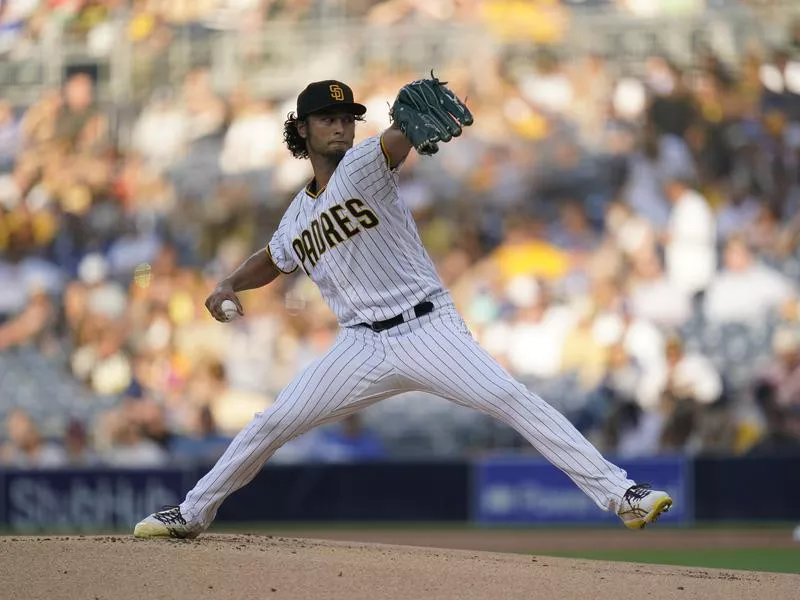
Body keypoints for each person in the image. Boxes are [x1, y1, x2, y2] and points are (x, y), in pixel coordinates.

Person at [134, 77, 672, 539]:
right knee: (271, 421)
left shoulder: (366, 162)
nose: (342, 126)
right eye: (328, 118)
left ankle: (622, 494)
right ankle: (192, 512)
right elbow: (275, 258)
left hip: (427, 327)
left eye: (348, 116)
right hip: (360, 346)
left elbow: (394, 140)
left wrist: (410, 127)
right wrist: (229, 282)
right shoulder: (297, 214)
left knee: (510, 395)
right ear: (301, 129)